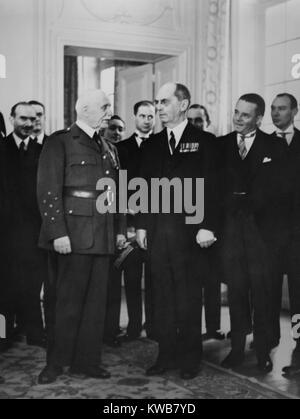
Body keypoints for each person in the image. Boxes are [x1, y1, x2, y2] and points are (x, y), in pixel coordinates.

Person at [37, 90, 126, 385]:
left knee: (95, 305)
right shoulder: (59, 141)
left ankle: (86, 361)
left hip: (102, 236)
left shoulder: (109, 146)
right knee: (65, 303)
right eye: (103, 107)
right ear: (84, 109)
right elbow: (48, 191)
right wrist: (58, 233)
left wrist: (121, 230)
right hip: (72, 236)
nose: (108, 111)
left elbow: (117, 192)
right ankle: (55, 363)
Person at [136, 83, 218, 380]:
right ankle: (166, 355)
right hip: (159, 233)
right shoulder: (152, 144)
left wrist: (207, 224)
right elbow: (143, 188)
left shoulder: (206, 142)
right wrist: (142, 225)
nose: (158, 107)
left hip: (191, 234)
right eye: (157, 102)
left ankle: (189, 358)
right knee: (162, 298)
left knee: (188, 298)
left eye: (164, 101)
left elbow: (214, 187)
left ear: (182, 105)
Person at [218, 94, 289, 372]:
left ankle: (262, 353)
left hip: (263, 236)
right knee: (236, 293)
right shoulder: (221, 145)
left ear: (259, 119)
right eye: (236, 112)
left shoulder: (275, 146)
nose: (238, 118)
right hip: (232, 234)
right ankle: (236, 349)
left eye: (245, 115)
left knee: (263, 295)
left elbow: (283, 193)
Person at [105, 101, 156, 344]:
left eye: (151, 116)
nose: (147, 120)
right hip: (129, 221)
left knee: (156, 279)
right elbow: (115, 182)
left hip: (155, 221)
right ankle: (134, 326)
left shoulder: (162, 145)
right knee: (133, 279)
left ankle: (154, 325)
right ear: (134, 117)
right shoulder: (120, 148)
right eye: (142, 115)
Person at [1, 102, 46, 350]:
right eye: (22, 119)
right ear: (11, 119)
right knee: (3, 288)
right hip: (4, 233)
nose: (28, 124)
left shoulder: (43, 151)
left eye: (32, 119)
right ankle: (2, 336)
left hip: (33, 232)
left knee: (32, 284)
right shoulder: (1, 148)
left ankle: (35, 334)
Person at [187, 104, 225, 342]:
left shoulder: (213, 143)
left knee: (211, 279)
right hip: (185, 222)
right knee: (190, 281)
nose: (194, 124)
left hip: (209, 221)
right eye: (190, 120)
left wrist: (211, 224)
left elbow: (219, 186)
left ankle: (213, 327)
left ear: (207, 121)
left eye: (199, 120)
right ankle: (189, 330)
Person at [270, 93, 300, 372]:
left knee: (299, 297)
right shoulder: (262, 144)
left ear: (294, 111)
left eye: (281, 109)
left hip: (297, 236)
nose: (276, 113)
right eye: (272, 109)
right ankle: (266, 346)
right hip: (268, 236)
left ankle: (299, 349)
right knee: (266, 292)